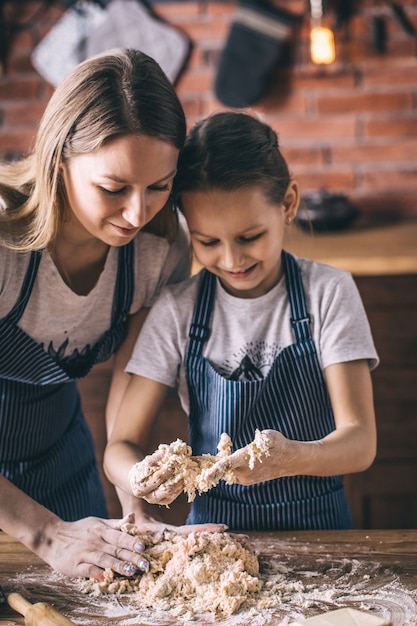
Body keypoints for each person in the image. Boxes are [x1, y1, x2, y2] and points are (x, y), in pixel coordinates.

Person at [0, 48, 225, 582]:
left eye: (159, 187)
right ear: (60, 161)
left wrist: (135, 513)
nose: (136, 212)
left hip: (60, 455)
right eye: (113, 188)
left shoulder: (158, 247)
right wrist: (45, 533)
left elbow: (127, 392)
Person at [104, 111, 379, 532]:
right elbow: (118, 448)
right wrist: (141, 478)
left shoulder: (329, 293)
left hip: (323, 533)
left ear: (288, 204)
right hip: (217, 534)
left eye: (249, 237)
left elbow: (360, 442)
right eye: (208, 242)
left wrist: (291, 458)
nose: (232, 260)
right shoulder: (178, 310)